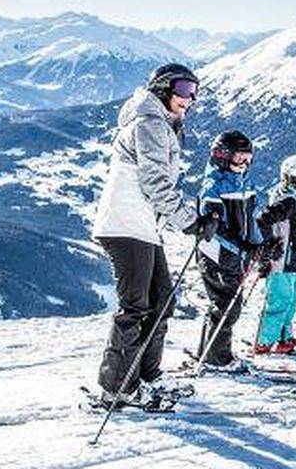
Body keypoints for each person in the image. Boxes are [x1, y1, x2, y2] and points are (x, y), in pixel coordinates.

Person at [92, 62, 202, 403]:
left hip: (142, 226)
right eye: (184, 90)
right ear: (163, 88)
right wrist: (190, 221)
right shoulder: (150, 122)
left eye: (195, 92)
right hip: (127, 225)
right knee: (136, 307)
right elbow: (154, 182)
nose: (190, 99)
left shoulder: (161, 123)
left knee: (162, 301)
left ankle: (148, 376)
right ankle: (116, 389)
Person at [192, 130, 272, 371]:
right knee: (226, 305)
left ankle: (209, 352)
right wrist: (243, 249)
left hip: (236, 258)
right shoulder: (213, 186)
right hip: (215, 255)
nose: (245, 164)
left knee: (227, 304)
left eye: (248, 158)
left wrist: (259, 247)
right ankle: (217, 358)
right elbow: (215, 231)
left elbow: (250, 219)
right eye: (239, 158)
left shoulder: (244, 183)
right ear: (222, 156)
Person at [252, 154, 296, 355]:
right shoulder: (288, 201)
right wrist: (269, 245)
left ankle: (284, 339)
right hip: (281, 263)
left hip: (294, 263)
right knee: (279, 302)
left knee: (290, 302)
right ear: (295, 180)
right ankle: (263, 342)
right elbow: (263, 220)